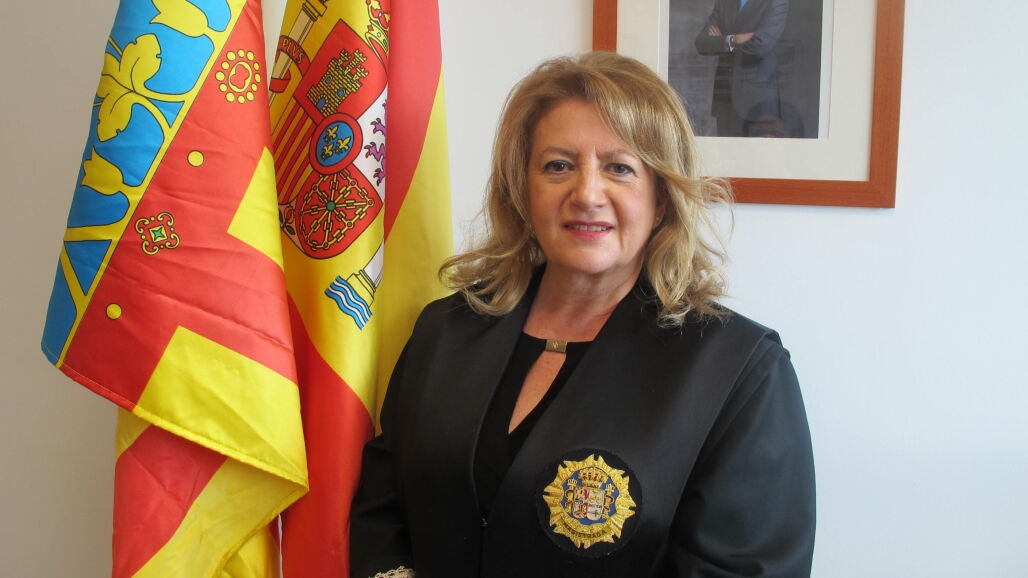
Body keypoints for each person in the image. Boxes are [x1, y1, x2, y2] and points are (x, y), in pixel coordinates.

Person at [350, 51, 815, 577]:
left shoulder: (739, 370)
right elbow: (381, 510)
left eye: (619, 168)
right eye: (559, 166)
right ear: (524, 189)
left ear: (661, 199)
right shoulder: (446, 329)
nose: (587, 194)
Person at [694, 0, 790, 137]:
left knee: (757, 150)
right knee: (726, 150)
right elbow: (701, 43)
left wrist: (722, 40)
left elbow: (760, 46)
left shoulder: (776, 2)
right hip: (725, 98)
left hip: (759, 101)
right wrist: (733, 39)